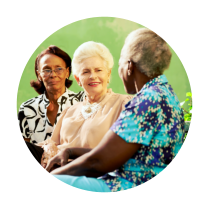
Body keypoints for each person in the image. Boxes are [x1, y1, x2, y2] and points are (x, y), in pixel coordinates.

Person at [45, 28, 185, 192]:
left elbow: (99, 162)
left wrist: (50, 178)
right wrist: (69, 150)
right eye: (86, 71)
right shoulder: (163, 92)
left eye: (117, 65)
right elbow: (114, 152)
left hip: (127, 186)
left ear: (129, 66)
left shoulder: (146, 101)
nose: (93, 76)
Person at [32, 41, 132, 166]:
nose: (93, 76)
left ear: (108, 74)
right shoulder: (70, 111)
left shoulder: (124, 104)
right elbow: (51, 144)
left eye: (98, 70)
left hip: (88, 170)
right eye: (86, 72)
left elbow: (121, 152)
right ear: (78, 79)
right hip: (55, 166)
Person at [18, 46, 85, 144]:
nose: (53, 74)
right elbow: (24, 149)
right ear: (39, 75)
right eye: (46, 70)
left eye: (59, 69)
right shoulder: (27, 108)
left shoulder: (82, 101)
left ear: (67, 72)